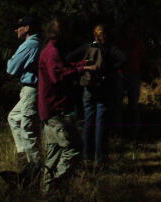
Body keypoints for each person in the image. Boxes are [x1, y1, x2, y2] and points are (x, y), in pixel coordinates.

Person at [38, 19, 92, 193]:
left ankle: (46, 191)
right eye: (67, 32)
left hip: (49, 109)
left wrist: (82, 65)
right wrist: (80, 70)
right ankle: (56, 184)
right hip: (56, 110)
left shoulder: (51, 50)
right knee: (73, 149)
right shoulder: (52, 52)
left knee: (53, 153)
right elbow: (58, 76)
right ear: (60, 33)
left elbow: (63, 67)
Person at [67, 24, 126, 167]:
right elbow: (124, 59)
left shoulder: (87, 47)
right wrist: (110, 70)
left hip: (88, 86)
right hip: (104, 87)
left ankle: (87, 155)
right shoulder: (110, 48)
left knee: (88, 120)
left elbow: (68, 58)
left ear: (94, 35)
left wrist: (81, 68)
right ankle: (100, 157)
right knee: (101, 122)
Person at [5, 16, 42, 185]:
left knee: (28, 127)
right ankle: (26, 158)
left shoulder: (30, 44)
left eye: (18, 27)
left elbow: (12, 68)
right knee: (14, 117)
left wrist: (12, 60)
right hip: (30, 89)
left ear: (27, 28)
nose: (16, 30)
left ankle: (35, 169)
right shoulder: (37, 43)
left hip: (31, 89)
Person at [116, 24, 146, 140]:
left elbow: (142, 58)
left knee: (133, 105)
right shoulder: (120, 43)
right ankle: (118, 132)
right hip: (121, 75)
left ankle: (134, 132)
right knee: (118, 105)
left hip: (133, 75)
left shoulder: (137, 43)